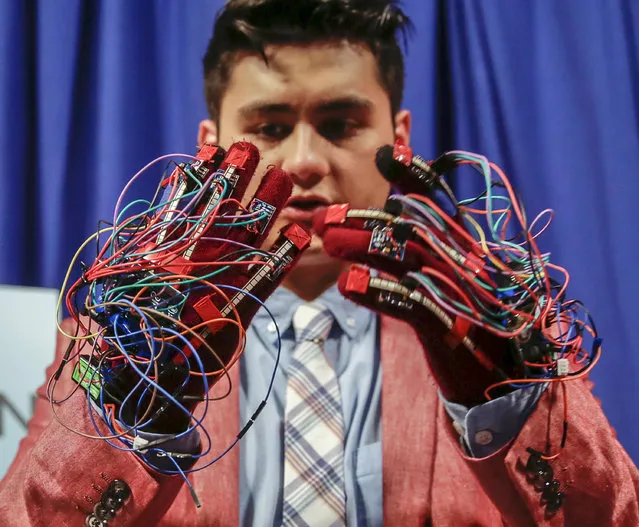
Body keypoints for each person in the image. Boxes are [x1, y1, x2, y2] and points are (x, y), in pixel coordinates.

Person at [1, 0, 638, 525]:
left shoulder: (485, 326)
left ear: (400, 142)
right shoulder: (125, 342)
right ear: (211, 150)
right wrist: (132, 423)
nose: (304, 161)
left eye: (340, 124)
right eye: (270, 127)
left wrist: (514, 406)